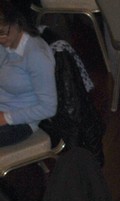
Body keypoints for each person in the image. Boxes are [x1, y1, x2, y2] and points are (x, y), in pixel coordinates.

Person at [0, 0, 57, 147]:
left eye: (2, 33)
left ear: (17, 23)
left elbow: (49, 108)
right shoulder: (6, 43)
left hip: (19, 122)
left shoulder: (36, 55)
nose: (0, 39)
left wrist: (6, 118)